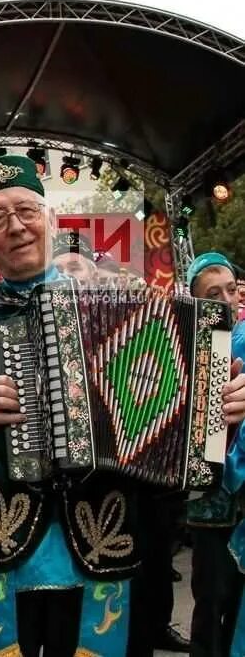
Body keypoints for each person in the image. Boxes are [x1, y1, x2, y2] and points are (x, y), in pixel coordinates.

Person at [0, 155, 171, 655]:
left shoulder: (118, 311)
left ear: (52, 221)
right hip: (3, 549)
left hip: (103, 535)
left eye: (26, 210)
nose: (16, 226)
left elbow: (171, 409)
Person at [189, 251, 245, 657]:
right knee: (211, 600)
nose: (227, 298)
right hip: (210, 501)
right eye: (214, 293)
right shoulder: (184, 347)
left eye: (231, 289)